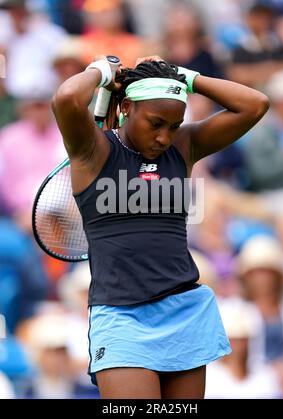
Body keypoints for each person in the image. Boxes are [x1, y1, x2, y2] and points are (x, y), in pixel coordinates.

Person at [51, 54, 269, 399]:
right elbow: (65, 98)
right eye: (155, 123)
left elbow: (255, 104)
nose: (164, 137)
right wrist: (101, 71)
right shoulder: (93, 149)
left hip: (183, 309)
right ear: (126, 107)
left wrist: (183, 76)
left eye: (173, 124)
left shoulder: (185, 145)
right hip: (121, 316)